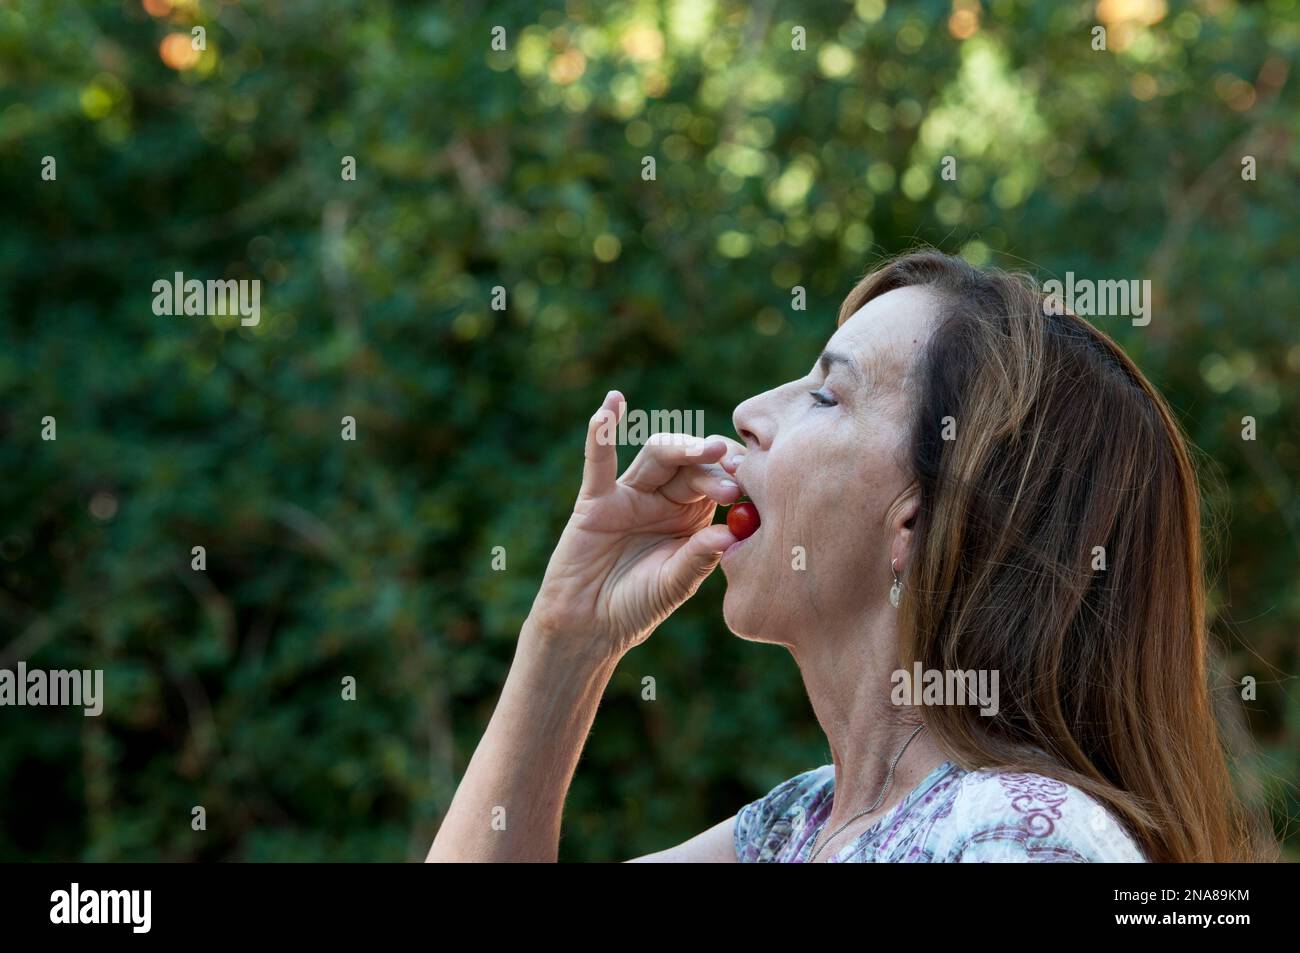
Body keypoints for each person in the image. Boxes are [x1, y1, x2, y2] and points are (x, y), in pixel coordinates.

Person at [427, 250, 1272, 863]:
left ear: (919, 524)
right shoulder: (800, 829)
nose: (752, 411)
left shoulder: (1015, 837)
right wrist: (570, 634)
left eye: (826, 394)